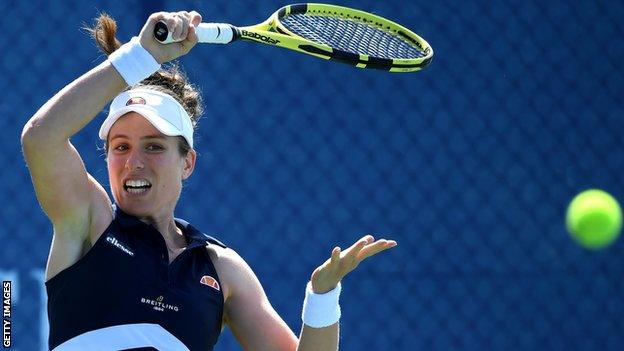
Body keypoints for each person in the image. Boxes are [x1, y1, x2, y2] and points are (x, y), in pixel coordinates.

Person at [21, 10, 397, 350]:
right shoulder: (90, 220)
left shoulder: (221, 268)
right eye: (120, 147)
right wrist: (141, 54)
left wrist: (322, 295)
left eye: (153, 147)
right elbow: (41, 138)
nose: (133, 162)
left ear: (187, 163)